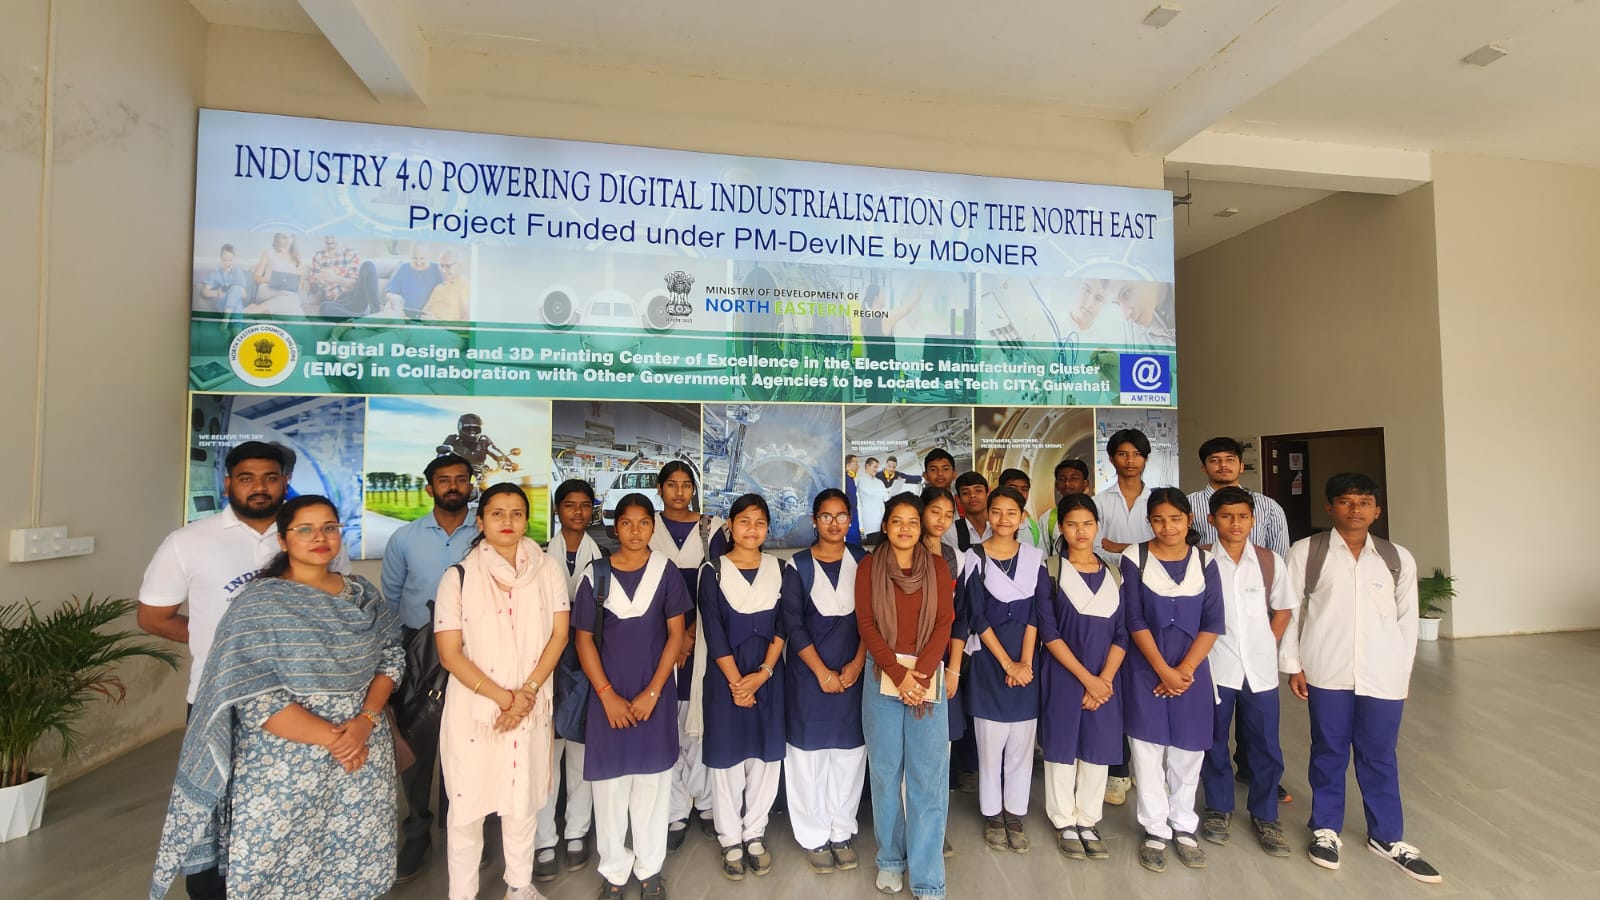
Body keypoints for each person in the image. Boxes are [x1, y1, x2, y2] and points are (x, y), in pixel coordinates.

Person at [150, 495, 403, 900]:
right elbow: (254, 693)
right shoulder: (259, 604)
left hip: (362, 755)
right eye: (305, 529)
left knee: (355, 858)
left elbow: (392, 654)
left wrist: (365, 722)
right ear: (283, 540)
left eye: (329, 528)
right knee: (274, 862)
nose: (319, 537)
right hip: (284, 762)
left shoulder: (362, 594)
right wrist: (336, 739)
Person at [139, 441, 348, 900]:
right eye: (247, 478)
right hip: (220, 700)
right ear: (228, 482)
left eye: (270, 477)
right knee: (216, 812)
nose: (260, 487)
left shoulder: (312, 536)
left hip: (303, 705)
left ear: (285, 483)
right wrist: (226, 652)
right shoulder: (188, 541)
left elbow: (337, 607)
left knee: (291, 813)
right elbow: (153, 617)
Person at [1279, 474, 1439, 884]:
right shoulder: (1307, 551)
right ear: (1329, 507)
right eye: (1346, 501)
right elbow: (1290, 611)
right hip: (1327, 669)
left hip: (1383, 674)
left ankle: (1386, 836)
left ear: (1377, 510)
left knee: (1379, 754)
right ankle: (1325, 829)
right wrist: (1294, 665)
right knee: (1328, 749)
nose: (1355, 509)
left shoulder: (1396, 557)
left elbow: (1407, 621)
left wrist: (1401, 672)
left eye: (1364, 502)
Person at [435, 483, 570, 900]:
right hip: (476, 710)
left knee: (521, 802)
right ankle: (462, 894)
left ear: (527, 521)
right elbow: (449, 654)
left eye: (516, 513)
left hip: (530, 704)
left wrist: (526, 692)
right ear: (480, 521)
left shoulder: (547, 570)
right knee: (467, 810)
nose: (507, 521)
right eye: (497, 513)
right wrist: (504, 698)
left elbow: (559, 635)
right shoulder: (457, 576)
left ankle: (519, 885)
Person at [574, 493, 691, 900]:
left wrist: (653, 692)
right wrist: (607, 695)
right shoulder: (596, 574)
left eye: (644, 523)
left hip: (653, 698)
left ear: (652, 528)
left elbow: (676, 634)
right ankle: (614, 870)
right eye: (627, 523)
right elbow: (583, 639)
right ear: (615, 527)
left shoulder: (666, 571)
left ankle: (649, 869)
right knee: (609, 790)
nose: (636, 531)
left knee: (653, 787)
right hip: (607, 699)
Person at [381, 453, 479, 881]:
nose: (453, 486)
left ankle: (463, 830)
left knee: (468, 743)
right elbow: (390, 601)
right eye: (444, 480)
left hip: (475, 653)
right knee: (419, 742)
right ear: (430, 488)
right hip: (418, 653)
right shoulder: (404, 538)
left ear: (471, 485)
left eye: (460, 479)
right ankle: (417, 831)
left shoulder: (485, 532)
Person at [857, 493, 956, 900]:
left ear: (921, 527)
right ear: (885, 526)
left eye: (912, 522)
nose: (905, 529)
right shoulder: (869, 566)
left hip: (927, 674)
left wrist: (922, 675)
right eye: (897, 521)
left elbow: (945, 621)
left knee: (928, 779)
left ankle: (929, 878)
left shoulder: (937, 566)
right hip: (882, 675)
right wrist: (899, 675)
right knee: (885, 774)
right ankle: (890, 860)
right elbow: (866, 623)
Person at [1121, 488, 1224, 874]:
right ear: (1149, 522)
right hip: (1145, 668)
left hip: (1191, 673)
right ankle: (1154, 828)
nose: (1168, 527)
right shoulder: (1135, 558)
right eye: (1159, 520)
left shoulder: (1205, 562)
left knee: (1188, 751)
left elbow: (1213, 622)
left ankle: (1183, 825)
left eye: (1176, 519)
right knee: (1147, 751)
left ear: (1189, 520)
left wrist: (1184, 670)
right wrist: (1163, 670)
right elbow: (1133, 619)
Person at [1198, 487, 1293, 857]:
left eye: (1242, 517)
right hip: (1215, 667)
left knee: (1265, 744)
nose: (1235, 524)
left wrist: (1268, 641)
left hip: (1260, 670)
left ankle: (1266, 815)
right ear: (1212, 520)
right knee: (1213, 740)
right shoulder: (1201, 560)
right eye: (1226, 516)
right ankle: (1218, 807)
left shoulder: (1269, 561)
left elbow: (1283, 608)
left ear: (1253, 520)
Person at [698, 494, 788, 880]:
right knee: (728, 759)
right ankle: (730, 837)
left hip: (769, 676)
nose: (752, 529)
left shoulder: (780, 569)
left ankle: (754, 832)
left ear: (768, 529)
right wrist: (738, 684)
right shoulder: (713, 571)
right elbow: (713, 631)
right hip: (725, 680)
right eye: (745, 521)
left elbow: (784, 626)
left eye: (760, 522)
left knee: (766, 759)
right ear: (731, 527)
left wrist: (763, 673)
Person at [781, 490, 869, 874]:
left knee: (849, 756)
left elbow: (872, 620)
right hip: (808, 679)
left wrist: (857, 664)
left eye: (841, 516)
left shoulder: (864, 562)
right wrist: (821, 672)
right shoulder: (797, 565)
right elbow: (793, 624)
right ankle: (814, 835)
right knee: (808, 759)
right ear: (814, 521)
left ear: (850, 519)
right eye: (826, 516)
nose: (834, 523)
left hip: (853, 676)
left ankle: (841, 831)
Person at [1037, 494, 1126, 862]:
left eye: (1087, 524)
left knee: (1097, 747)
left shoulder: (1114, 574)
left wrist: (1104, 679)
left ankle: (1088, 819)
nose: (1080, 531)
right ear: (1061, 528)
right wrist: (1088, 679)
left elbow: (1122, 633)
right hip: (1064, 674)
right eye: (1072, 524)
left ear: (1097, 527)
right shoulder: (1051, 570)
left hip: (1106, 678)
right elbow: (1049, 632)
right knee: (1062, 747)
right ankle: (1064, 820)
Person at [961, 486, 1047, 854]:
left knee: (1021, 744)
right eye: (996, 512)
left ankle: (1015, 812)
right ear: (988, 515)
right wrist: (1007, 663)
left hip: (1026, 662)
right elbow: (976, 616)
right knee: (990, 743)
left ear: (1023, 517)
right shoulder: (974, 557)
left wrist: (1024, 662)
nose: (1003, 519)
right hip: (988, 660)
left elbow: (1036, 614)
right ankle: (992, 814)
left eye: (1012, 512)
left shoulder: (1035, 558)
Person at [650, 461, 728, 847]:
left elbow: (718, 585)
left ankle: (708, 804)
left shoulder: (711, 529)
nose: (679, 492)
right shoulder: (647, 526)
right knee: (667, 723)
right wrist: (675, 638)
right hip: (658, 640)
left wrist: (691, 634)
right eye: (672, 485)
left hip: (702, 639)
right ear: (660, 488)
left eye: (686, 485)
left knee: (700, 718)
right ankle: (676, 810)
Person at [535, 479, 601, 882]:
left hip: (589, 663)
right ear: (557, 510)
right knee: (546, 755)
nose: (577, 512)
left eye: (584, 505)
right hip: (547, 664)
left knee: (581, 752)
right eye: (569, 505)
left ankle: (577, 831)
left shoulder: (604, 556)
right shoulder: (538, 556)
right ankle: (544, 839)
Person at [1092, 429, 1153, 808]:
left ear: (1146, 458)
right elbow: (1094, 546)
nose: (1130, 460)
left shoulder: (1158, 500)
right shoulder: (1099, 502)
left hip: (1152, 598)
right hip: (1109, 596)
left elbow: (1167, 544)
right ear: (1112, 458)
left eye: (1136, 454)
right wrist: (1142, 548)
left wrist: (1121, 546)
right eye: (1122, 454)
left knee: (1144, 683)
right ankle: (1117, 768)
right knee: (1111, 679)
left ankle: (1147, 770)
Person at [921, 485, 971, 857]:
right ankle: (911, 827)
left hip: (943, 663)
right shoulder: (902, 551)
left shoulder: (957, 558)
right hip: (907, 663)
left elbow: (962, 617)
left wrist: (953, 668)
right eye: (934, 512)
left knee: (940, 751)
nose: (941, 520)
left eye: (948, 515)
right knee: (911, 751)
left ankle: (935, 829)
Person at [1186, 437, 1290, 556]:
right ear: (1204, 468)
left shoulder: (1268, 506)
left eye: (1230, 459)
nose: (1223, 465)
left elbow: (1279, 556)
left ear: (1241, 466)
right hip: (1203, 568)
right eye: (1214, 460)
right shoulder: (1188, 504)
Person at [1038, 458, 1092, 548]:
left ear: (1085, 483)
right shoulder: (1047, 518)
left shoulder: (1098, 513)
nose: (1067, 483)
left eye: (1074, 478)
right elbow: (1044, 553)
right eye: (1062, 479)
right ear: (1056, 485)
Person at [247, 232, 303, 314]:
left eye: (290, 237)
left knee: (298, 313)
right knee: (295, 300)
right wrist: (271, 281)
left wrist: (296, 286)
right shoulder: (268, 253)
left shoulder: (297, 257)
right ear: (278, 238)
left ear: (293, 238)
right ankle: (259, 309)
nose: (287, 240)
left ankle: (258, 309)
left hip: (287, 294)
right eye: (284, 237)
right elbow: (256, 276)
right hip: (268, 289)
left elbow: (300, 283)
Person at [386, 242, 445, 314]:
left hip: (425, 314)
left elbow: (444, 293)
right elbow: (389, 292)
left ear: (429, 257)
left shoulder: (437, 269)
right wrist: (393, 297)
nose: (418, 262)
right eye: (415, 258)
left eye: (422, 258)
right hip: (402, 312)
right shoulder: (403, 268)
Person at [997, 468, 1049, 550]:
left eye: (1024, 489)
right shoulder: (990, 523)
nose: (1019, 493)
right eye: (1013, 488)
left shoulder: (1032, 527)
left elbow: (1041, 557)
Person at [308, 234, 362, 310]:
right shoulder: (318, 255)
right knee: (325, 307)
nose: (329, 241)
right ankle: (350, 313)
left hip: (350, 297)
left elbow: (355, 284)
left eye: (332, 237)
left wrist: (334, 278)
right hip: (332, 301)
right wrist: (318, 281)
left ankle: (351, 311)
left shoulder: (351, 253)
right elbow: (314, 289)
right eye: (326, 237)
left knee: (368, 266)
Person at [947, 471, 992, 553]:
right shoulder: (951, 532)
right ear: (958, 499)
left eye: (978, 491)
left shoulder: (1001, 526)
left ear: (988, 494)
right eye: (965, 493)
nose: (972, 495)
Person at [199, 243, 249, 316]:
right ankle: (227, 315)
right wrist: (217, 293)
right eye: (224, 260)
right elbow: (205, 291)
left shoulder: (238, 272)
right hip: (222, 304)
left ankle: (227, 318)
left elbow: (244, 294)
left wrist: (232, 292)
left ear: (234, 260)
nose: (227, 263)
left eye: (230, 260)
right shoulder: (215, 273)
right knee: (235, 297)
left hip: (236, 306)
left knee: (235, 290)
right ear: (220, 259)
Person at [421, 249, 471, 320]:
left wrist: (437, 323)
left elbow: (467, 320)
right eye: (441, 266)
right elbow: (423, 312)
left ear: (459, 265)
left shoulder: (465, 286)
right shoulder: (439, 287)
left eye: (448, 266)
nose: (443, 270)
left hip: (442, 327)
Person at [857, 457, 890, 536]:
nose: (876, 470)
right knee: (873, 540)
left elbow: (886, 498)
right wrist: (885, 490)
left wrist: (891, 491)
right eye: (874, 467)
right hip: (870, 521)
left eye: (877, 467)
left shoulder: (879, 482)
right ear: (867, 466)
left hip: (881, 519)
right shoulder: (862, 481)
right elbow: (870, 492)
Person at [844, 455, 863, 544]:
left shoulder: (850, 479)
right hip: (849, 513)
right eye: (856, 463)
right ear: (848, 465)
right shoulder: (845, 479)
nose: (858, 466)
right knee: (852, 538)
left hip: (853, 513)